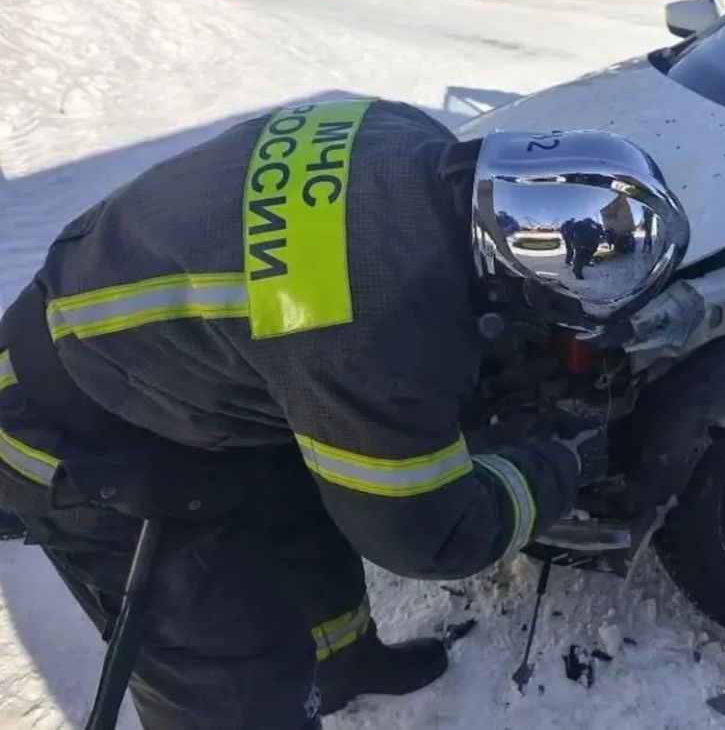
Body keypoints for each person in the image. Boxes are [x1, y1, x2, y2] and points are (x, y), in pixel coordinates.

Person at [0, 98, 688, 729]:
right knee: (227, 664)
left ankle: (343, 665)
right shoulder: (383, 336)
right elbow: (433, 535)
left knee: (306, 516)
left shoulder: (409, 137)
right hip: (71, 426)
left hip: (161, 344)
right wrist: (557, 464)